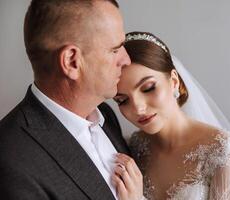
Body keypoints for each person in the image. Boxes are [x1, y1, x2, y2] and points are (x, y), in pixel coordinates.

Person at [0, 1, 143, 200]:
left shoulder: (107, 115)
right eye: (114, 49)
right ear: (72, 61)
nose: (126, 60)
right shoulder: (10, 162)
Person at [113, 31, 230, 199]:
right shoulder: (133, 147)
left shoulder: (221, 149)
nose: (138, 108)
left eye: (148, 88)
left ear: (174, 81)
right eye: (122, 100)